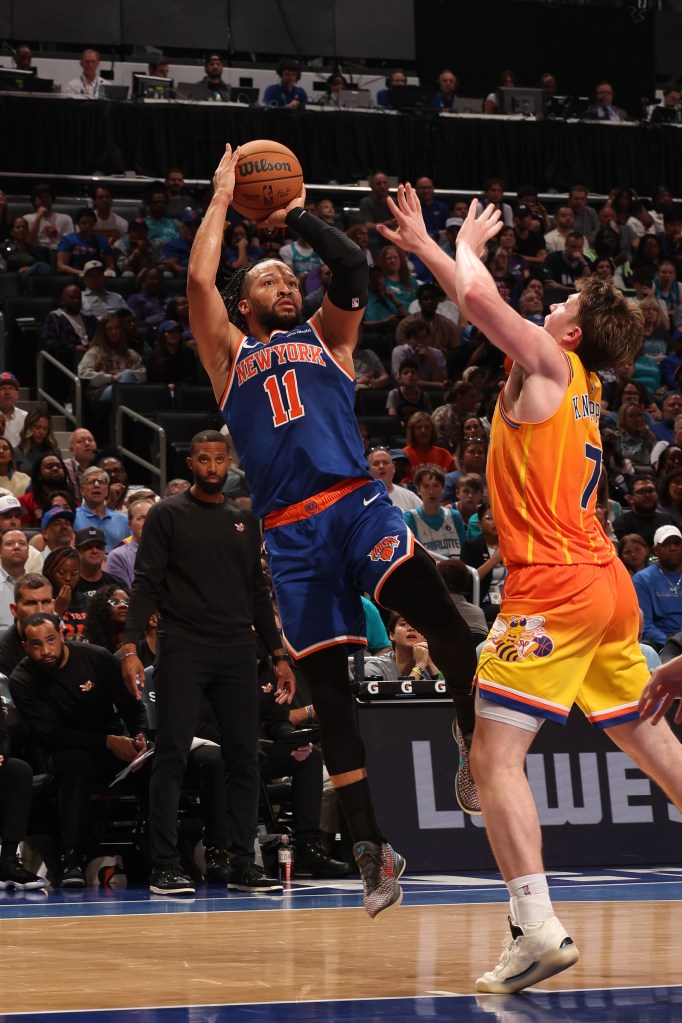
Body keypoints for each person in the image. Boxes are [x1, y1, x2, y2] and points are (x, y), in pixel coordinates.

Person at [377, 183, 682, 992]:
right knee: (653, 742)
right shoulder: (570, 378)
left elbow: (478, 302)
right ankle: (534, 921)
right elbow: (487, 300)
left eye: (559, 302)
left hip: (554, 588)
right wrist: (466, 245)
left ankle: (535, 924)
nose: (542, 305)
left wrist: (426, 244)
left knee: (494, 754)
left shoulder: (550, 360)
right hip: (607, 585)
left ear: (571, 329)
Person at [186, 145, 479, 918]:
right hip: (290, 535)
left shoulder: (330, 336)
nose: (285, 282)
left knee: (444, 616)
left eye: (289, 277)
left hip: (356, 505)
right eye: (268, 279)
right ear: (243, 304)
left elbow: (349, 267)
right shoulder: (229, 355)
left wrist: (297, 219)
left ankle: (471, 734)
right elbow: (195, 283)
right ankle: (370, 850)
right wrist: (221, 200)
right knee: (333, 698)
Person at [116, 431, 294, 896]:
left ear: (228, 462)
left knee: (244, 756)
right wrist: (132, 646)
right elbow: (146, 582)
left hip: (238, 648)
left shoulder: (243, 518)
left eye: (219, 459)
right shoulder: (167, 514)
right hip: (183, 646)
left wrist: (278, 654)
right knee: (171, 754)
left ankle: (241, 862)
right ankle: (164, 865)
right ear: (190, 462)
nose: (213, 467)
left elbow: (258, 592)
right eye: (204, 459)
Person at [9, 613, 149, 886]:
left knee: (156, 763)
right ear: (25, 647)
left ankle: (163, 855)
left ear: (61, 635)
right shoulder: (21, 679)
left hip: (113, 744)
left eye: (50, 640)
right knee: (75, 763)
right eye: (36, 645)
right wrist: (107, 741)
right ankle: (71, 857)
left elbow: (132, 708)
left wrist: (139, 738)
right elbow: (52, 734)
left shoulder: (97, 658)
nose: (46, 650)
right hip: (65, 749)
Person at [633, 525, 682, 649]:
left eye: (677, 543)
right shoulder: (643, 579)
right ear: (656, 550)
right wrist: (673, 645)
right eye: (665, 544)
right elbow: (646, 626)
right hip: (661, 643)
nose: (672, 548)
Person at [404, 465, 466, 560]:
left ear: (443, 489)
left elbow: (465, 552)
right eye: (426, 486)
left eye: (436, 486)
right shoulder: (410, 518)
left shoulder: (454, 516)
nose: (431, 492)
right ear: (418, 490)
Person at [72, 467, 131, 553]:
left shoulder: (123, 520)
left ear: (107, 490)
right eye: (90, 482)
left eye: (101, 481)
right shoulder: (73, 517)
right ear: (82, 490)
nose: (96, 485)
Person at [366, 446, 420, 512]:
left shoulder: (410, 497)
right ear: (368, 470)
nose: (381, 466)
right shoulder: (360, 498)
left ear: (393, 468)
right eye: (376, 464)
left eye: (385, 463)